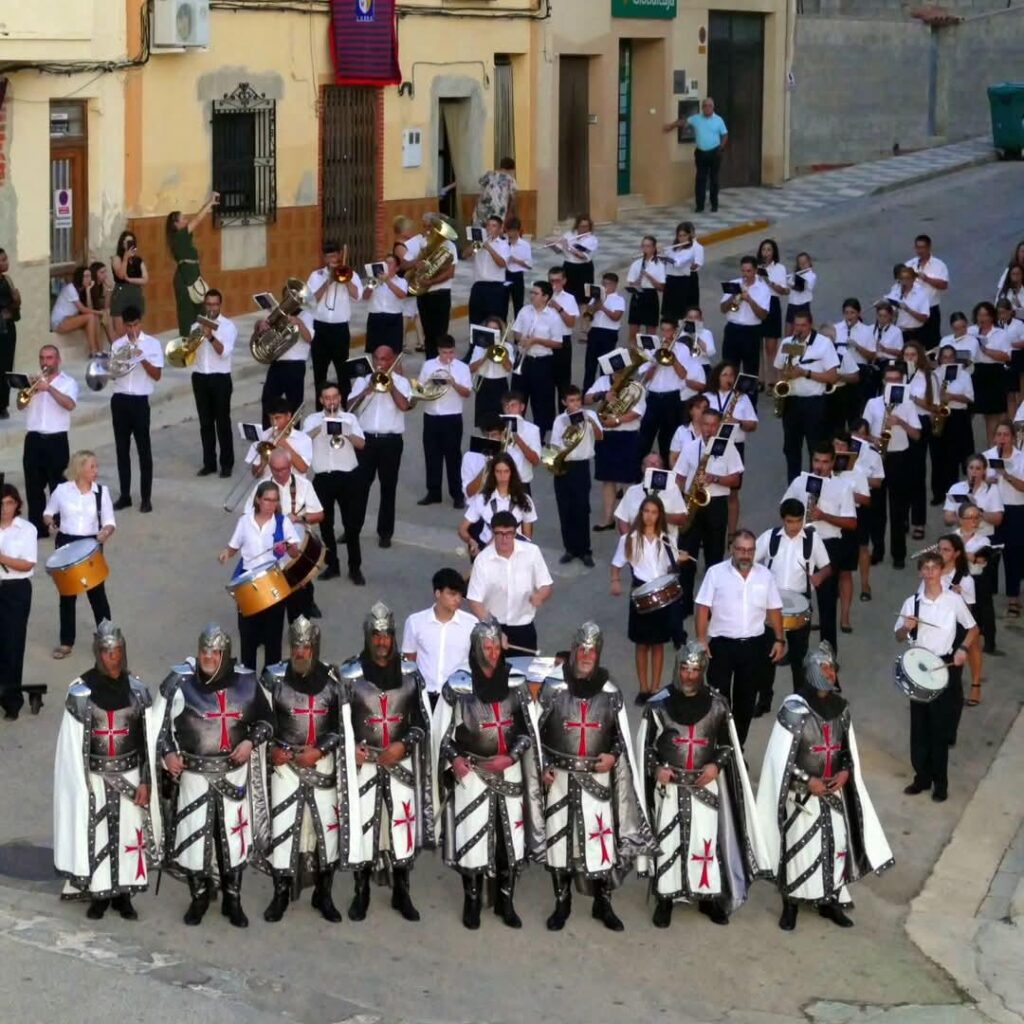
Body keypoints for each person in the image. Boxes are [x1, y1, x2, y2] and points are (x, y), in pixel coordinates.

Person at [756, 644, 894, 930]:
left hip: (834, 793)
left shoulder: (840, 709)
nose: (831, 673)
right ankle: (790, 904)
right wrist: (808, 781)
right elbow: (780, 762)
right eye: (825, 668)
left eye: (833, 668)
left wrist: (845, 772)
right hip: (802, 797)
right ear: (812, 671)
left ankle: (830, 901)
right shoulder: (794, 709)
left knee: (835, 848)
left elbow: (845, 750)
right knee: (799, 850)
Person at [637, 642, 770, 928]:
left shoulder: (718, 704)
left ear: (703, 672)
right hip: (670, 787)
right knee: (668, 842)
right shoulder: (659, 704)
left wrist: (716, 765)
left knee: (705, 842)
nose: (688, 675)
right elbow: (646, 747)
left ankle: (708, 897)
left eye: (695, 670)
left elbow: (727, 744)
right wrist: (656, 767)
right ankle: (665, 898)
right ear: (678, 668)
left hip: (705, 785)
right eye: (684, 668)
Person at [155, 623, 273, 926]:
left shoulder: (246, 683)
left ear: (226, 654)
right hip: (194, 776)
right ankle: (199, 897)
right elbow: (160, 728)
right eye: (204, 651)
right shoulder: (181, 683)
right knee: (195, 838)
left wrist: (249, 741)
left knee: (231, 839)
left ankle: (232, 899)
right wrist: (168, 754)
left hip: (233, 776)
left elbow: (266, 721)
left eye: (215, 652)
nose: (208, 657)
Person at [537, 622, 652, 931]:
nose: (587, 655)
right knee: (559, 842)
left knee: (600, 842)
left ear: (598, 653)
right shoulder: (553, 687)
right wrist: (543, 762)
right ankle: (562, 904)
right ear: (574, 650)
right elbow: (537, 731)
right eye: (582, 649)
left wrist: (613, 755)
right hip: (560, 778)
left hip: (597, 781)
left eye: (592, 650)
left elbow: (620, 737)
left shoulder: (610, 691)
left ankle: (603, 903)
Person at [434, 618, 544, 929]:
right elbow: (442, 735)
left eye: (497, 646)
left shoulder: (516, 683)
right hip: (473, 775)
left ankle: (505, 902)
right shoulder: (458, 686)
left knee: (508, 842)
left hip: (508, 775)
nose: (493, 653)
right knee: (472, 840)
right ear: (477, 647)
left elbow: (527, 732)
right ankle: (472, 901)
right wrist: (455, 760)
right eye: (487, 646)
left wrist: (510, 757)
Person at [53, 620, 159, 920]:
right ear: (98, 654)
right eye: (106, 652)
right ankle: (99, 894)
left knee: (128, 835)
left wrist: (146, 782)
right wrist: (81, 783)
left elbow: (145, 743)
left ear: (123, 652)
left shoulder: (137, 692)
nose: (112, 658)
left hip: (129, 774)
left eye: (116, 652)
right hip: (96, 778)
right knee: (97, 834)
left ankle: (124, 896)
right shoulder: (81, 694)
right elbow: (71, 746)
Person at [338, 602, 434, 922]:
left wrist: (403, 745)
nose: (382, 641)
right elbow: (338, 723)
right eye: (376, 635)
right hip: (364, 767)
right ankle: (361, 891)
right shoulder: (350, 675)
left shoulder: (410, 675)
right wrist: (351, 750)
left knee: (401, 829)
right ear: (368, 637)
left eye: (386, 636)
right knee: (365, 828)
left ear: (393, 638)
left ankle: (401, 891)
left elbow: (422, 723)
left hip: (400, 765)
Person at [259, 616, 352, 924]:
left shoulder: (333, 681)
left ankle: (323, 894)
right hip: (285, 767)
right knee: (284, 830)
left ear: (315, 647)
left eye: (306, 646)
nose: (300, 652)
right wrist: (272, 749)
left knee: (326, 830)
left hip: (322, 764)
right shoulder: (274, 678)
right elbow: (262, 721)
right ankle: (280, 894)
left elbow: (343, 727)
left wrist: (320, 749)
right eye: (296, 646)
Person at [895, 552, 979, 802]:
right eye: (926, 568)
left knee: (939, 727)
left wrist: (963, 649)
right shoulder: (913, 602)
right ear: (921, 572)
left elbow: (973, 629)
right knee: (919, 725)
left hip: (943, 665)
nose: (930, 572)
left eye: (934, 568)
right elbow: (898, 636)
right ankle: (922, 777)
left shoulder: (953, 601)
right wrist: (906, 628)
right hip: (918, 667)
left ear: (941, 571)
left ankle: (940, 783)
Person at [694, 530, 785, 746]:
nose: (745, 555)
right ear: (731, 550)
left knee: (745, 703)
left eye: (750, 550)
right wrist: (701, 639)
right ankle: (721, 747)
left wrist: (780, 639)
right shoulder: (715, 573)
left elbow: (774, 609)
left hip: (753, 647)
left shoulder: (765, 575)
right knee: (719, 701)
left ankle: (737, 749)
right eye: (741, 550)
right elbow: (702, 607)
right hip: (721, 647)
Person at [781, 443, 857, 653]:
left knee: (827, 603)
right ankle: (796, 650)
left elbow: (851, 523)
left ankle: (828, 653)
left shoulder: (842, 487)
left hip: (829, 545)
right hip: (802, 541)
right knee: (797, 599)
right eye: (816, 461)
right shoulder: (800, 481)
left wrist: (824, 516)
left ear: (833, 462)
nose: (819, 466)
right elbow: (784, 507)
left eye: (824, 462)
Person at [610, 495, 688, 701]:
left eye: (654, 512)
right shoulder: (629, 539)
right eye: (646, 511)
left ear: (659, 515)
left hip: (661, 593)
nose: (650, 516)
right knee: (642, 643)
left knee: (658, 644)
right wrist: (615, 580)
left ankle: (655, 688)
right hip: (641, 591)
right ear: (641, 513)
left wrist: (680, 559)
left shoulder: (667, 538)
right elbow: (616, 564)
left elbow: (670, 566)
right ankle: (643, 688)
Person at [218, 481, 301, 673]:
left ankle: (271, 684)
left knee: (273, 641)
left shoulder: (282, 522)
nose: (271, 505)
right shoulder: (245, 521)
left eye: (274, 501)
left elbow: (295, 553)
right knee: (248, 640)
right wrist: (226, 554)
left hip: (273, 584)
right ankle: (248, 682)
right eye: (267, 500)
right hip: (249, 584)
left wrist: (289, 546)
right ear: (258, 499)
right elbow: (234, 546)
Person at [755, 497, 831, 702]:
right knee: (767, 655)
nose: (794, 526)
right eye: (790, 521)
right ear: (783, 519)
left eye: (798, 521)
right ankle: (764, 698)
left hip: (800, 605)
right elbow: (750, 559)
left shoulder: (812, 540)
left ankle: (799, 698)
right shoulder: (770, 537)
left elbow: (826, 567)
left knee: (799, 657)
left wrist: (818, 577)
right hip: (772, 605)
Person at [44, 451, 115, 661]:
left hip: (91, 544)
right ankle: (67, 641)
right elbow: (48, 512)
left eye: (96, 467)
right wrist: (50, 523)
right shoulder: (62, 491)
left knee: (97, 594)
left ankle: (107, 637)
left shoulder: (101, 492)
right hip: (67, 542)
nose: (96, 471)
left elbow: (110, 521)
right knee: (67, 595)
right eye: (92, 467)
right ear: (80, 469)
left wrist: (105, 532)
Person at [249, 448, 325, 622]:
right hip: (270, 552)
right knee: (270, 606)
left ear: (290, 466)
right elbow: (248, 518)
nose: (280, 473)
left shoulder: (304, 485)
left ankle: (300, 625)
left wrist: (299, 518)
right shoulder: (261, 487)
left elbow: (320, 514)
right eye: (275, 469)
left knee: (298, 603)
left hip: (296, 552)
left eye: (283, 469)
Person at [348, 345, 412, 549]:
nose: (379, 363)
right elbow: (349, 407)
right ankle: (353, 528)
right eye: (376, 358)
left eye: (384, 359)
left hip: (390, 441)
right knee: (359, 487)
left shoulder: (402, 382)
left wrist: (391, 386)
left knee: (388, 487)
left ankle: (385, 532)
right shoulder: (363, 379)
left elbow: (404, 406)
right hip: (366, 440)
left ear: (392, 360)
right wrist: (366, 391)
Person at [304, 380, 366, 585]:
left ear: (340, 398)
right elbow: (304, 441)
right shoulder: (313, 419)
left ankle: (355, 568)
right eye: (327, 398)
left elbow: (362, 444)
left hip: (348, 477)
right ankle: (333, 565)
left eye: (335, 397)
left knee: (351, 526)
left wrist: (346, 431)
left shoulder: (350, 418)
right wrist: (322, 427)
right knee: (326, 526)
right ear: (321, 400)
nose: (332, 401)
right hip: (323, 478)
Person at [467, 511, 553, 652]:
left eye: (509, 533)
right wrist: (494, 630)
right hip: (493, 626)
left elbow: (546, 584)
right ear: (492, 533)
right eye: (499, 533)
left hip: (523, 628)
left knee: (524, 673)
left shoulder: (532, 552)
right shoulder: (482, 560)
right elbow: (474, 601)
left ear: (515, 533)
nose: (504, 539)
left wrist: (540, 596)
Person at [863, 365, 921, 568]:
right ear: (884, 381)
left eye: (897, 379)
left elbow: (917, 435)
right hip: (877, 457)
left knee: (899, 509)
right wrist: (873, 439)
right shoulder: (873, 403)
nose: (892, 383)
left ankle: (899, 555)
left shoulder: (908, 404)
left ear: (902, 380)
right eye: (889, 379)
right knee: (876, 509)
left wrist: (901, 422)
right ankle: (877, 550)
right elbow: (862, 432)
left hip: (899, 459)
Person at [675, 406, 743, 575]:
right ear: (700, 424)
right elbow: (680, 478)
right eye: (706, 425)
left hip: (716, 504)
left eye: (714, 425)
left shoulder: (729, 448)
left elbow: (736, 480)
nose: (709, 429)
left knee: (715, 557)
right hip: (692, 502)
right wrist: (678, 505)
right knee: (686, 556)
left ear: (719, 426)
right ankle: (686, 599)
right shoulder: (690, 447)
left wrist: (715, 478)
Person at [774, 310, 840, 483]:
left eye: (803, 325)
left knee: (815, 448)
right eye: (796, 325)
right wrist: (784, 377)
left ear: (810, 325)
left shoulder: (823, 344)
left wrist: (805, 373)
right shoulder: (788, 342)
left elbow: (833, 376)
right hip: (791, 402)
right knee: (791, 449)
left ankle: (815, 489)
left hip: (814, 403)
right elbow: (779, 369)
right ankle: (794, 490)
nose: (799, 329)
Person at [19, 344, 77, 537]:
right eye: (42, 358)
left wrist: (49, 389)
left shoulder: (68, 382)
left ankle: (61, 525)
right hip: (34, 439)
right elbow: (20, 405)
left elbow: (69, 405)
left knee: (58, 486)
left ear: (58, 360)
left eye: (50, 358)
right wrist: (30, 390)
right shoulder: (33, 381)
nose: (45, 362)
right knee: (33, 486)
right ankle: (37, 527)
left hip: (56, 440)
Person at [108, 307, 163, 513]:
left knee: (143, 451)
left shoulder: (153, 344)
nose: (132, 330)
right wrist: (117, 365)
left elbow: (157, 375)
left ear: (141, 323)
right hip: (120, 400)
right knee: (122, 450)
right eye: (128, 326)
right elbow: (113, 374)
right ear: (124, 325)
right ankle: (125, 495)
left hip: (140, 401)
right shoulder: (117, 345)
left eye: (135, 325)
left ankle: (146, 498)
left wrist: (141, 358)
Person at [401, 568, 476, 708]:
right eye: (452, 594)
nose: (457, 599)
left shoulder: (471, 624)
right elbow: (409, 659)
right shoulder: (415, 622)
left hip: (459, 696)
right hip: (424, 695)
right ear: (437, 593)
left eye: (460, 594)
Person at [586, 357, 646, 529]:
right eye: (616, 371)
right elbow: (587, 398)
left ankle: (629, 519)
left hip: (627, 435)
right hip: (606, 436)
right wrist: (602, 395)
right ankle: (608, 518)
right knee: (607, 479)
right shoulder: (603, 381)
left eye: (622, 372)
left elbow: (637, 412)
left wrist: (617, 420)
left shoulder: (636, 387)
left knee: (628, 480)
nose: (619, 375)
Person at [638, 317, 707, 463]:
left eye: (668, 330)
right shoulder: (651, 348)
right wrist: (656, 359)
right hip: (653, 398)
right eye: (662, 330)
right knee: (644, 439)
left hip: (672, 398)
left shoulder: (682, 349)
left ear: (675, 332)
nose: (665, 334)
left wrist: (673, 359)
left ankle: (668, 479)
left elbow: (683, 375)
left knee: (668, 441)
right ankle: (639, 478)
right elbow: (645, 378)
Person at [550, 385, 602, 566]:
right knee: (565, 509)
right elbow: (555, 446)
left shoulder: (590, 415)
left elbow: (600, 436)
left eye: (578, 400)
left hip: (581, 467)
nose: (576, 404)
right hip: (564, 465)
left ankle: (585, 550)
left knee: (582, 509)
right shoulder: (560, 420)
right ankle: (570, 549)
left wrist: (589, 421)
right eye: (571, 401)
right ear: (564, 402)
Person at [418, 334, 472, 509]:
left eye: (451, 352)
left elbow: (467, 393)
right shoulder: (428, 365)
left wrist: (453, 383)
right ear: (438, 351)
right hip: (431, 416)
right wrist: (429, 386)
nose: (448, 356)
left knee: (453, 456)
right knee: (431, 454)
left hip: (452, 417)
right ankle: (433, 492)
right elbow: (420, 389)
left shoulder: (462, 368)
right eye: (444, 353)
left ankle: (457, 494)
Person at [306, 241, 362, 407]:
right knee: (319, 373)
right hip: (320, 328)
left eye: (334, 255)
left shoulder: (350, 274)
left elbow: (357, 296)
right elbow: (311, 300)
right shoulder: (316, 276)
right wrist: (328, 281)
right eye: (328, 256)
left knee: (342, 372)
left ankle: (345, 409)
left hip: (340, 329)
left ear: (339, 255)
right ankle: (320, 411)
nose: (331, 259)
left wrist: (346, 279)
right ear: (324, 258)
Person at [189, 288, 236, 478]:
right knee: (205, 423)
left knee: (222, 422)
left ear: (220, 305)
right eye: (208, 304)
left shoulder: (228, 326)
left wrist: (209, 336)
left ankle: (226, 464)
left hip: (220, 378)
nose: (211, 308)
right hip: (200, 377)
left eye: (215, 304)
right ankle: (209, 463)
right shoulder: (195, 326)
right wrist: (196, 338)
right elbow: (189, 352)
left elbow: (223, 352)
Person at [0, 484, 36, 719]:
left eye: (9, 503)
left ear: (17, 505)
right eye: (1, 504)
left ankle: (11, 700)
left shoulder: (26, 529)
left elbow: (27, 564)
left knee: (12, 645)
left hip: (15, 590)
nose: (5, 509)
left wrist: (2, 557)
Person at [402, 211, 458, 360]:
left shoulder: (449, 246)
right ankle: (430, 364)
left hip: (440, 294)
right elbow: (403, 264)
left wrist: (430, 282)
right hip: (424, 295)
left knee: (440, 334)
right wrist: (416, 264)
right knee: (428, 334)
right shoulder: (421, 243)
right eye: (425, 226)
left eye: (430, 226)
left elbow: (450, 273)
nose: (427, 230)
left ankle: (442, 364)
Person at [511, 280, 562, 439]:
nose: (531, 296)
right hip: (523, 359)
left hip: (542, 362)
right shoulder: (525, 311)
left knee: (541, 402)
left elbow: (558, 343)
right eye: (531, 293)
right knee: (517, 399)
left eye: (535, 293)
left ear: (545, 297)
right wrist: (521, 338)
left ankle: (537, 440)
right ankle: (514, 436)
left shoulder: (553, 316)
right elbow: (516, 332)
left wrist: (536, 340)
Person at [460, 453, 537, 555]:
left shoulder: (524, 500)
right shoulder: (482, 499)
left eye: (506, 472)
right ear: (493, 474)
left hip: (514, 552)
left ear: (512, 473)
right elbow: (462, 529)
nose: (502, 476)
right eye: (498, 472)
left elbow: (527, 537)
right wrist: (472, 542)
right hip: (486, 551)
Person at [985, 421, 1024, 620]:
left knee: (1014, 553)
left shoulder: (1021, 458)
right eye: (999, 435)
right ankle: (987, 594)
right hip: (993, 508)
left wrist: (1006, 476)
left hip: (1016, 509)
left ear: (1013, 437)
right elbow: (975, 478)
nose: (1002, 439)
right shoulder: (988, 456)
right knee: (991, 551)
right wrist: (987, 480)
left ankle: (1013, 597)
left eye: (1006, 435)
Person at [165, 193, 219, 337]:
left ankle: (203, 339)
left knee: (201, 308)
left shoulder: (182, 238)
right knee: (187, 314)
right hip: (185, 280)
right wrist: (209, 203)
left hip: (192, 276)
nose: (186, 220)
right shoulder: (180, 236)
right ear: (176, 224)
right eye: (182, 219)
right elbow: (197, 219)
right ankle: (187, 345)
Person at [663, 97, 728, 213]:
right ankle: (700, 206)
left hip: (714, 152)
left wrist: (721, 147)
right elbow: (683, 122)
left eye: (709, 106)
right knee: (700, 179)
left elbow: (725, 134)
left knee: (714, 180)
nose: (707, 108)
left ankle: (714, 205)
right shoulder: (697, 118)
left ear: (713, 107)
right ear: (702, 108)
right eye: (705, 106)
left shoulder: (718, 120)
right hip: (701, 152)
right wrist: (671, 126)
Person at [953, 502, 1000, 661]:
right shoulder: (953, 537)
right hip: (957, 578)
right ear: (960, 520)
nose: (974, 521)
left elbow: (979, 559)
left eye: (977, 517)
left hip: (978, 579)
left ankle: (989, 641)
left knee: (985, 609)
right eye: (970, 517)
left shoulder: (984, 540)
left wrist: (956, 552)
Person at [929, 345, 974, 504]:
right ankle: (938, 493)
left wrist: (951, 396)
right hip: (940, 415)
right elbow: (932, 399)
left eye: (950, 357)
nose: (948, 360)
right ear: (940, 359)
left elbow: (969, 398)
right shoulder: (935, 375)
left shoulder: (964, 375)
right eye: (945, 357)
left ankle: (953, 493)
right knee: (937, 456)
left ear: (955, 358)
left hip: (958, 416)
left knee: (953, 456)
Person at [614, 452, 688, 544]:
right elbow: (622, 520)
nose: (653, 464)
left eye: (657, 463)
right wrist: (628, 541)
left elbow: (682, 520)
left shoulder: (672, 490)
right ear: (643, 468)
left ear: (662, 469)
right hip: (637, 544)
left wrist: (660, 515)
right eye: (649, 462)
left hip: (664, 546)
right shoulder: (632, 491)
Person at [720, 256, 770, 386]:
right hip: (732, 329)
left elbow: (763, 315)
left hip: (751, 332)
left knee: (750, 371)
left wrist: (749, 300)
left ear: (755, 271)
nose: (745, 274)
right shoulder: (734, 284)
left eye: (748, 271)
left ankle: (750, 402)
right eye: (743, 271)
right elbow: (723, 309)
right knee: (729, 368)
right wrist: (734, 296)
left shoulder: (763, 289)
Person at [244, 395, 312, 481]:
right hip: (270, 487)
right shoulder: (263, 437)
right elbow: (256, 474)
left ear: (288, 415)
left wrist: (285, 445)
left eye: (277, 418)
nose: (274, 423)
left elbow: (303, 468)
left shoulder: (303, 439)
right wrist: (263, 459)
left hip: (295, 487)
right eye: (271, 419)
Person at [972, 301, 1011, 445]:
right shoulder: (971, 332)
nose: (982, 318)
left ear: (992, 317)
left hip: (994, 374)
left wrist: (986, 351)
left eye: (986, 315)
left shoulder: (1000, 334)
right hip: (975, 373)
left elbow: (1006, 356)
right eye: (979, 314)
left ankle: (991, 453)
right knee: (969, 413)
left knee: (992, 418)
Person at [581, 272, 626, 393]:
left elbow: (616, 317)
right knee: (590, 364)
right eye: (603, 283)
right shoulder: (596, 298)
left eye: (607, 284)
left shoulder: (619, 299)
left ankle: (604, 391)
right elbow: (588, 314)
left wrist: (603, 308)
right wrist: (596, 304)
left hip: (609, 333)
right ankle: (587, 391)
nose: (605, 286)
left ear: (615, 285)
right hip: (594, 331)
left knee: (605, 365)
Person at [466, 215, 511, 329]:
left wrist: (488, 247)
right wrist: (475, 245)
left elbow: (502, 263)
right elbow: (465, 255)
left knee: (495, 321)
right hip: (479, 286)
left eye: (494, 226)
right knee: (475, 320)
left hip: (495, 288)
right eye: (488, 226)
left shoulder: (503, 245)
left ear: (500, 229)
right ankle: (474, 346)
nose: (490, 228)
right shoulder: (479, 242)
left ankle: (495, 346)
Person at [906, 234, 948, 349]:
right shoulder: (910, 264)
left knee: (931, 344)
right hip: (912, 310)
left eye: (922, 247)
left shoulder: (939, 265)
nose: (920, 251)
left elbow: (944, 285)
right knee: (912, 343)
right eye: (917, 248)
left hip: (931, 310)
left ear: (929, 248)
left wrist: (926, 279)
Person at [757, 239, 790, 388]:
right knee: (758, 345)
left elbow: (782, 291)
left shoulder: (780, 268)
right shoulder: (756, 267)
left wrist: (768, 281)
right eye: (764, 250)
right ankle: (760, 379)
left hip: (772, 304)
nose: (766, 253)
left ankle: (772, 379)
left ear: (774, 252)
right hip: (758, 303)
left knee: (771, 346)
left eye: (769, 250)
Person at [362, 253, 408, 357]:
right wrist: (372, 285)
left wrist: (388, 281)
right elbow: (365, 297)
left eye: (390, 263)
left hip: (394, 319)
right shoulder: (374, 280)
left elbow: (402, 295)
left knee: (394, 355)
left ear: (396, 268)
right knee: (375, 353)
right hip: (375, 318)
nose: (387, 265)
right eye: (385, 263)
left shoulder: (401, 281)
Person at [547, 267, 580, 401]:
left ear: (564, 281)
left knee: (563, 382)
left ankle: (564, 413)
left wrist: (557, 307)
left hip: (562, 341)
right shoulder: (543, 296)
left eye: (558, 281)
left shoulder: (569, 298)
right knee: (546, 382)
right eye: (551, 281)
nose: (554, 284)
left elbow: (571, 323)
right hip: (546, 341)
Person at [661, 222, 703, 325]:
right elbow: (667, 260)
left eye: (685, 235)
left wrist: (670, 260)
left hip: (686, 281)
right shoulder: (675, 247)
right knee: (670, 312)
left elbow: (695, 264)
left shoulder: (696, 247)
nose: (682, 238)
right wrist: (661, 254)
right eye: (680, 236)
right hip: (672, 280)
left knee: (684, 311)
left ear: (690, 234)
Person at [110, 229, 149, 338]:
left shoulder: (138, 260)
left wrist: (130, 279)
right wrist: (126, 259)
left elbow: (145, 279)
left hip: (135, 293)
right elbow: (121, 275)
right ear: (122, 244)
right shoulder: (116, 259)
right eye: (126, 242)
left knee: (135, 329)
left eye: (131, 242)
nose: (129, 244)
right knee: (121, 332)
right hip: (121, 294)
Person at [626, 237, 665, 343]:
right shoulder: (636, 263)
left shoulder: (659, 265)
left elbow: (661, 287)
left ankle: (650, 355)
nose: (645, 249)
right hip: (638, 295)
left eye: (648, 246)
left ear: (653, 248)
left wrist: (648, 276)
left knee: (651, 332)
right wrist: (636, 283)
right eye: (643, 246)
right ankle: (634, 355)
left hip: (650, 295)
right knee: (633, 330)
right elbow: (630, 282)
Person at [555, 214, 598, 305]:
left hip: (584, 269)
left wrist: (568, 247)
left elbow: (582, 256)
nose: (584, 229)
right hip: (568, 267)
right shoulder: (569, 234)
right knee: (568, 294)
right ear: (577, 225)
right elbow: (558, 250)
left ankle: (583, 314)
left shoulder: (592, 239)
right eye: (582, 226)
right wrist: (553, 244)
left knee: (585, 296)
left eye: (586, 226)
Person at [0, 249, 22, 419]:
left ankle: (3, 405)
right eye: (2, 260)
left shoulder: (7, 279)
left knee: (6, 367)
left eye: (6, 259)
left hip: (8, 329)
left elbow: (14, 307)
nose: (6, 263)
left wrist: (16, 300)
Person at [886, 264, 930, 345]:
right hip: (899, 332)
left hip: (915, 333)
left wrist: (908, 309)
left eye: (907, 279)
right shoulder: (895, 292)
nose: (904, 282)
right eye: (902, 279)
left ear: (913, 279)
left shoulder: (921, 293)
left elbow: (924, 318)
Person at [473, 157, 518, 227]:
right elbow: (513, 200)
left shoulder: (489, 174)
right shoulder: (510, 180)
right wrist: (512, 214)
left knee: (480, 234)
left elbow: (480, 189)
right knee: (494, 234)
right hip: (498, 213)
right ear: (512, 169)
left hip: (483, 210)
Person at [504, 217, 532, 319]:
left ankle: (518, 332)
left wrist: (515, 260)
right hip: (505, 275)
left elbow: (529, 265)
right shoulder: (504, 243)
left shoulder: (525, 245)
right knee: (502, 305)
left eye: (513, 231)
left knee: (518, 305)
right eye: (509, 231)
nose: (511, 233)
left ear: (518, 231)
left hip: (517, 276)